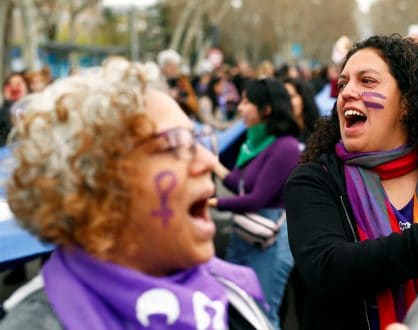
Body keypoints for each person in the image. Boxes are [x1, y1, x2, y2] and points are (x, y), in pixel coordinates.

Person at [0, 58, 271, 330]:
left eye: (196, 139)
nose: (208, 160)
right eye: (176, 143)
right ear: (93, 189)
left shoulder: (231, 295)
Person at [284, 35, 418, 330]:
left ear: (407, 104)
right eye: (343, 83)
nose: (348, 92)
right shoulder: (315, 181)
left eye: (368, 81)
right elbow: (328, 269)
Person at [212, 78, 301, 329]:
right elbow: (240, 184)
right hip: (244, 235)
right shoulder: (253, 143)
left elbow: (256, 198)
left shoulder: (285, 147)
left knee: (262, 317)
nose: (240, 108)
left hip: (268, 243)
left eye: (247, 102)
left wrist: (212, 202)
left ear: (267, 109)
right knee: (236, 311)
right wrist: (213, 165)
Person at [282, 78, 320, 144]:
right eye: (283, 98)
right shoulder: (281, 138)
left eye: (291, 96)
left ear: (304, 98)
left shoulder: (319, 133)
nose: (286, 102)